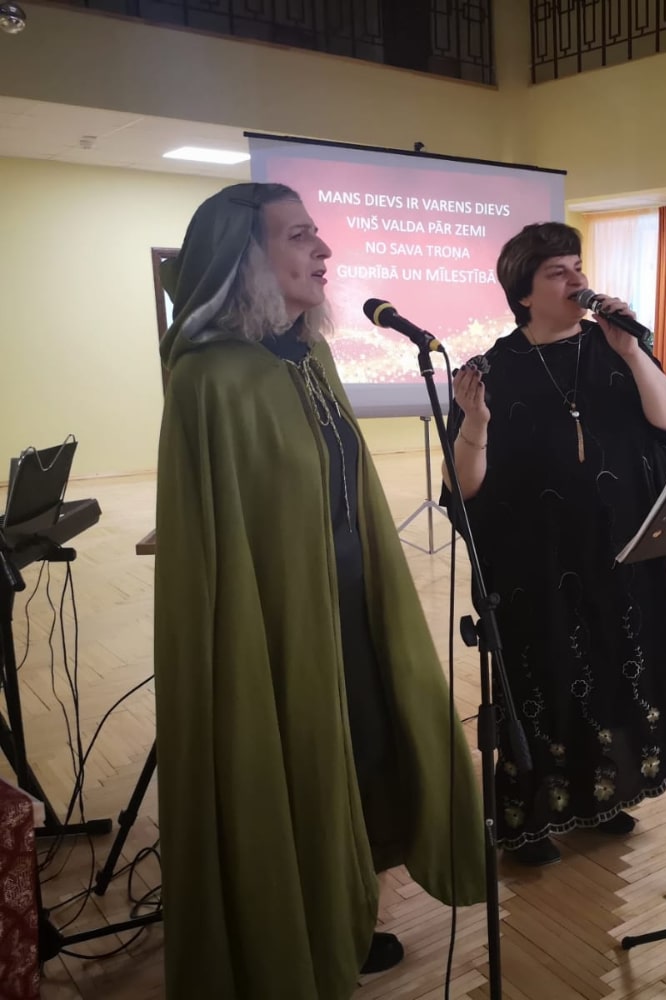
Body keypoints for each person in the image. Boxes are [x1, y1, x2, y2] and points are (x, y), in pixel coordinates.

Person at [154, 182, 486, 999]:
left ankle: (347, 913)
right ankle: (295, 933)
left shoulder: (310, 355)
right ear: (245, 260)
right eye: (299, 235)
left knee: (362, 754)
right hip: (272, 620)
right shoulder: (211, 378)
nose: (323, 249)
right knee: (294, 762)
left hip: (352, 603)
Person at [441, 222, 666, 868]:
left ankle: (602, 794)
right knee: (544, 682)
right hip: (533, 565)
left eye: (577, 267)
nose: (576, 280)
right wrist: (476, 425)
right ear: (523, 294)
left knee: (614, 670)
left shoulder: (612, 348)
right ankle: (531, 819)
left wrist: (633, 352)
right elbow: (462, 487)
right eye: (557, 272)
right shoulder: (490, 372)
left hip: (619, 554)